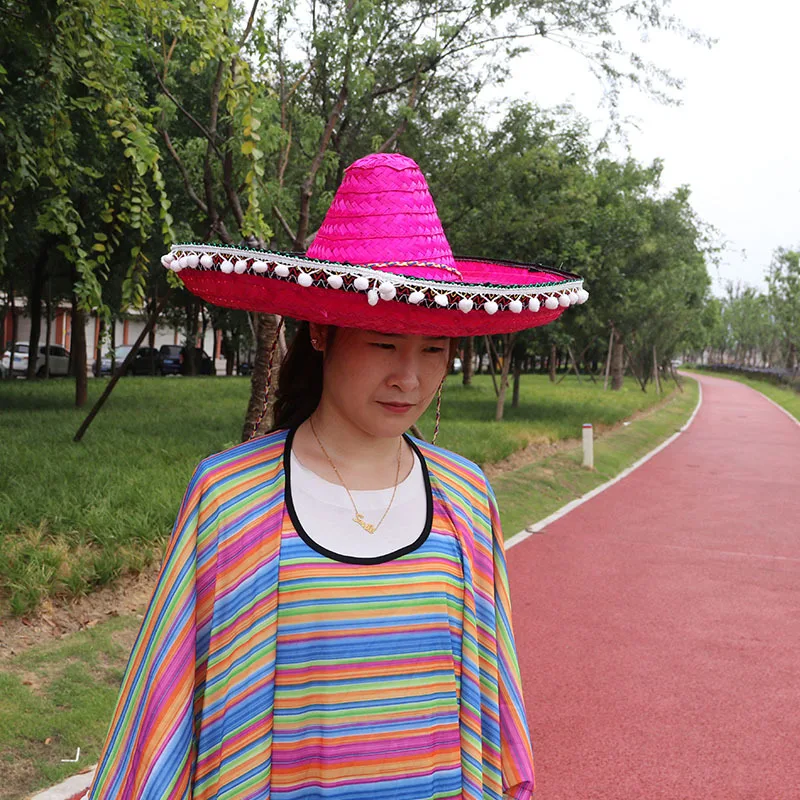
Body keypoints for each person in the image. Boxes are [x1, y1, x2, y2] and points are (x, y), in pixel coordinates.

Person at [86, 153, 586, 800]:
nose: (410, 378)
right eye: (384, 344)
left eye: (433, 350)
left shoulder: (466, 498)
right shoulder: (231, 497)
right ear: (323, 332)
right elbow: (162, 707)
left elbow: (491, 697)